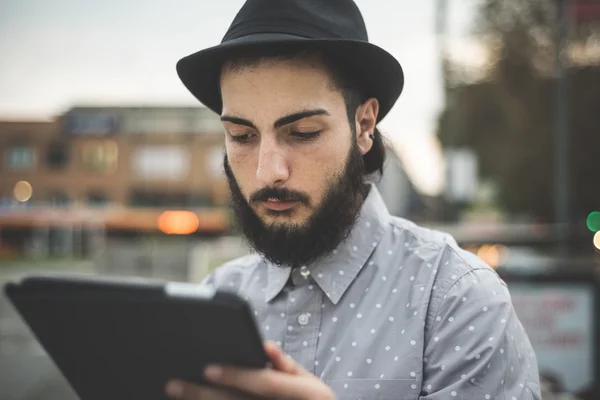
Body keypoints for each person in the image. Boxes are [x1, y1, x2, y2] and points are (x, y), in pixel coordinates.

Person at [167, 0, 542, 398]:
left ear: (364, 126)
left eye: (303, 132)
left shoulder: (456, 299)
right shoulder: (218, 298)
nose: (267, 171)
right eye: (242, 137)